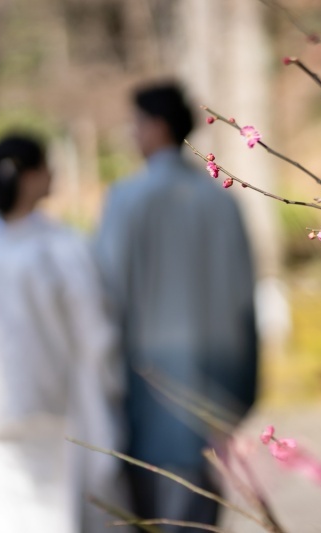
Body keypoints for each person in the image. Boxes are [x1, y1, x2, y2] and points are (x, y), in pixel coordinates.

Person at [0, 134, 125, 533]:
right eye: (45, 166)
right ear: (29, 177)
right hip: (56, 407)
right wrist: (107, 388)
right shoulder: (62, 246)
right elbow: (95, 335)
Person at [93, 83, 258, 529]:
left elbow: (104, 295)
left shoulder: (126, 200)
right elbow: (246, 300)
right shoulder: (223, 202)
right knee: (201, 505)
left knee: (149, 505)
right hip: (216, 376)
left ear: (158, 127)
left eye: (137, 124)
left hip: (145, 379)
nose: (133, 134)